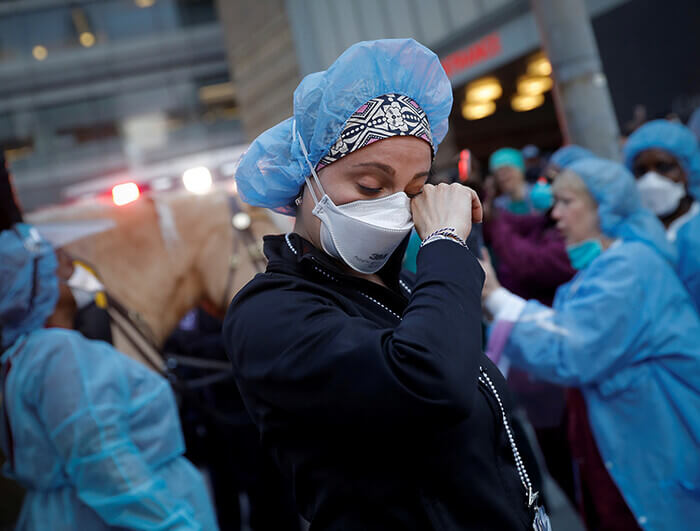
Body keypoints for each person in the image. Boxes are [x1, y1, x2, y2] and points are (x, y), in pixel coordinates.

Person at [224, 39, 550, 530]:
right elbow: (427, 380)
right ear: (306, 179)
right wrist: (444, 241)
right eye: (372, 187)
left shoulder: (402, 288)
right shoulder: (269, 314)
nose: (395, 207)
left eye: (415, 191)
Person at [481, 158, 700, 530]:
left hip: (654, 449)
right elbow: (565, 328)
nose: (556, 214)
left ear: (605, 206)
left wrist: (496, 298)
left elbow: (572, 349)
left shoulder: (628, 268)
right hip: (627, 450)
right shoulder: (605, 268)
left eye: (567, 202)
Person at [0, 224, 219, 530]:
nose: (75, 269)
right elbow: (103, 461)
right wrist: (175, 524)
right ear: (37, 284)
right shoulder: (60, 353)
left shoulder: (29, 353)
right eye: (61, 262)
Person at [623, 119, 700, 309]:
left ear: (687, 170)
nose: (651, 179)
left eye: (663, 167)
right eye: (641, 171)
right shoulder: (632, 235)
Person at [489, 147, 536, 214]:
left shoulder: (538, 194)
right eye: (498, 173)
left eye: (507, 170)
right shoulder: (498, 205)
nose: (502, 177)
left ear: (520, 170)